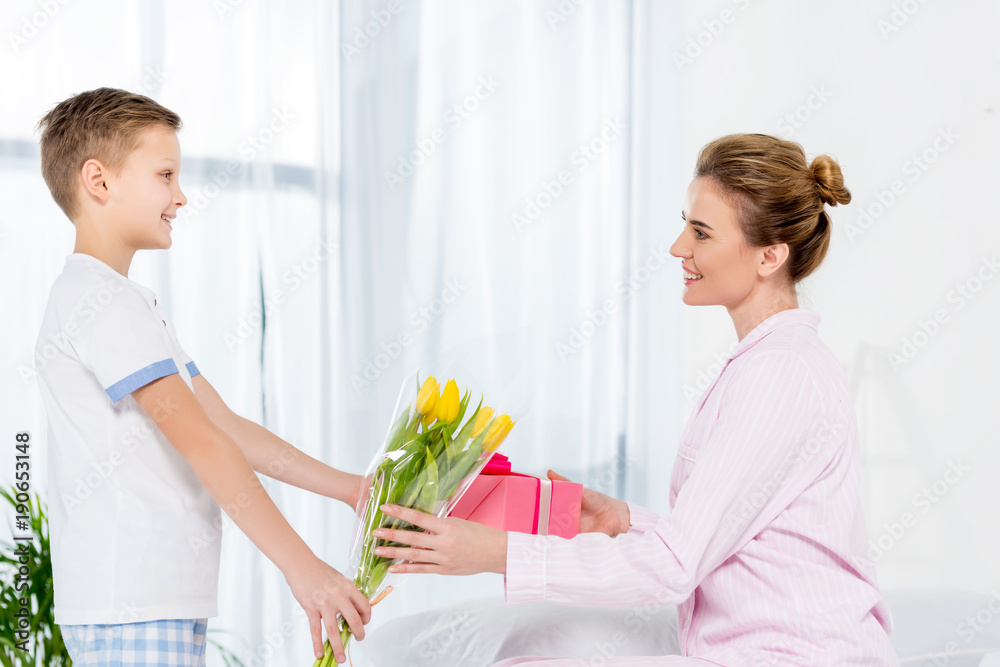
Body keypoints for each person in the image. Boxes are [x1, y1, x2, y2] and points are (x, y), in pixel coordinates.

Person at [371, 133, 900, 666]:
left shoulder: (779, 374)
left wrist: (497, 553)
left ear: (770, 256)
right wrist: (625, 521)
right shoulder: (771, 363)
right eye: (686, 224)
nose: (678, 247)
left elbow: (673, 566)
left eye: (701, 232)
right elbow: (733, 533)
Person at [33, 87, 369, 666]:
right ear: (98, 180)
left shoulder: (124, 301)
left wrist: (350, 490)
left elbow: (223, 426)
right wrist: (304, 569)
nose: (181, 196)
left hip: (148, 600)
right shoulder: (99, 300)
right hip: (132, 601)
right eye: (165, 175)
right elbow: (203, 443)